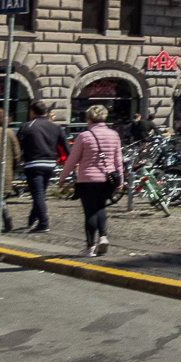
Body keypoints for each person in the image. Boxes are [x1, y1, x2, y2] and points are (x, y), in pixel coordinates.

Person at [56, 105, 124, 257]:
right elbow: (118, 160)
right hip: (108, 179)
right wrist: (121, 180)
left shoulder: (84, 136)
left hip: (87, 179)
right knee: (101, 207)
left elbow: (72, 160)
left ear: (89, 119)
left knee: (90, 212)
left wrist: (62, 178)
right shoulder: (114, 135)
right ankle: (103, 237)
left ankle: (90, 248)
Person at [18, 100, 64, 233]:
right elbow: (65, 145)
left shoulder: (27, 126)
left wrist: (17, 161)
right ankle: (32, 218)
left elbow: (18, 146)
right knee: (40, 193)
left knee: (38, 194)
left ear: (32, 112)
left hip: (33, 164)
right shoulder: (55, 127)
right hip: (50, 164)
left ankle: (43, 222)